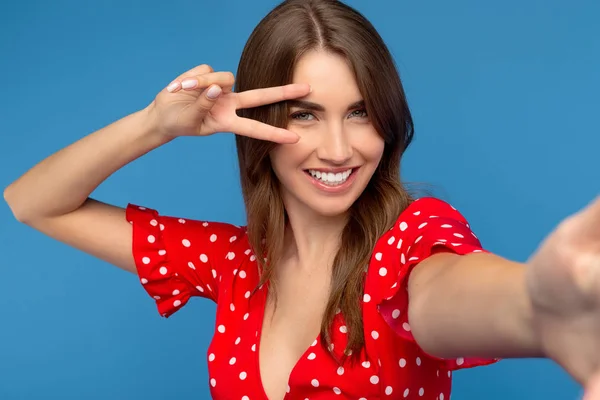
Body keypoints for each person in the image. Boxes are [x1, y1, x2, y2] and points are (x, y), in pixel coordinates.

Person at [4, 0, 600, 399]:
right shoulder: (233, 263)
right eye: (305, 116)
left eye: (360, 112)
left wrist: (536, 311)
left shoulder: (413, 239)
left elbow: (449, 294)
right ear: (258, 127)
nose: (339, 149)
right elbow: (34, 201)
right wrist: (156, 125)